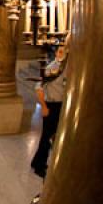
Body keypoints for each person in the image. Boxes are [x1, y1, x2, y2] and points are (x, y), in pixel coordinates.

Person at [31, 44, 68, 178]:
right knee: (47, 137)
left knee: (50, 136)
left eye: (64, 52)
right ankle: (39, 166)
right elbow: (38, 88)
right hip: (51, 106)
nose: (61, 54)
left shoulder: (66, 68)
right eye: (60, 52)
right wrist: (44, 108)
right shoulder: (52, 68)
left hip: (60, 105)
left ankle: (36, 162)